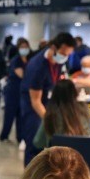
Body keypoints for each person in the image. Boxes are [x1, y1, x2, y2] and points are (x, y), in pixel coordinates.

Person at [19, 32, 76, 166]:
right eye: (63, 54)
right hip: (33, 105)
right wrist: (49, 119)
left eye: (68, 55)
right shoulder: (37, 66)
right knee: (35, 142)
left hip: (47, 101)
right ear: (53, 48)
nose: (65, 57)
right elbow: (35, 101)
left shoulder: (58, 61)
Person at [33, 80, 90, 150]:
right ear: (75, 93)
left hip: (57, 159)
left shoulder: (50, 115)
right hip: (81, 158)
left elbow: (37, 142)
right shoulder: (84, 110)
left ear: (54, 95)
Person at [0, 38, 31, 144]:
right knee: (10, 114)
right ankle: (4, 135)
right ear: (18, 49)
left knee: (21, 116)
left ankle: (20, 137)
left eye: (26, 47)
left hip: (24, 92)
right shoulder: (16, 60)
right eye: (22, 47)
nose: (25, 49)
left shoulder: (29, 60)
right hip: (13, 91)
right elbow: (21, 74)